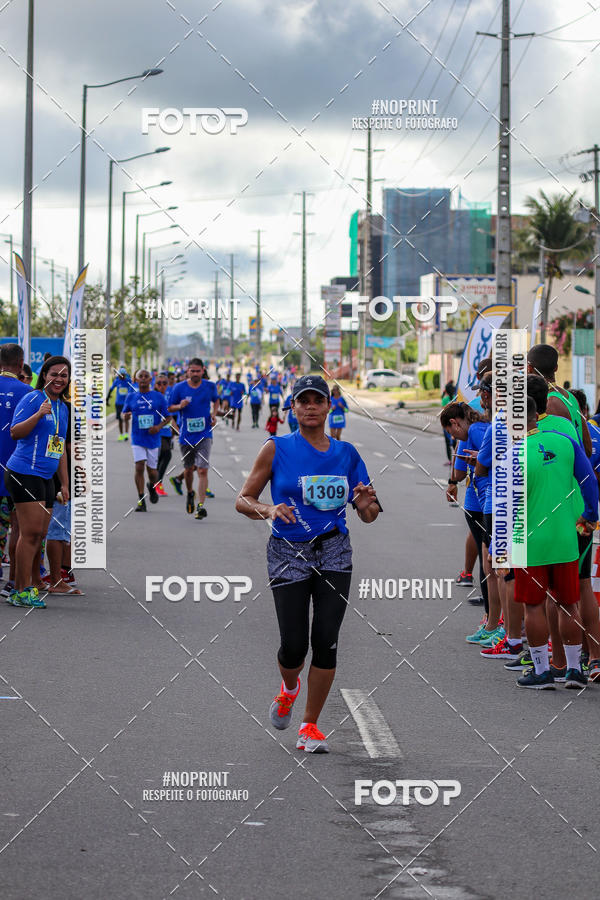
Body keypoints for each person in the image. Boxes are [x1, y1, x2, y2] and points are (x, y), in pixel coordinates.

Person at [235, 374, 381, 753]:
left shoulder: (346, 454)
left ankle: (309, 725)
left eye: (318, 400)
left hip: (334, 551)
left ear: (329, 406)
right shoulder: (276, 448)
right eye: (304, 401)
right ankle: (289, 688)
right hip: (288, 553)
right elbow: (243, 499)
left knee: (326, 642)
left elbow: (368, 514)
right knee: (294, 646)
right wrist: (269, 509)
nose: (311, 407)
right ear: (293, 408)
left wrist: (366, 503)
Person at [511, 397, 598, 689]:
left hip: (529, 539)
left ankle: (542, 671)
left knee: (534, 606)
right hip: (565, 535)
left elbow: (506, 506)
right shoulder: (565, 441)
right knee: (568, 604)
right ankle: (573, 670)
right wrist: (590, 515)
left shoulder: (514, 453)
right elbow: (588, 480)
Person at [5, 356, 71, 608]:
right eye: (54, 374)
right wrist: (38, 415)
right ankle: (20, 590)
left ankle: (28, 585)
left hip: (47, 478)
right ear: (44, 375)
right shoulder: (33, 399)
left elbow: (60, 447)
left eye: (64, 375)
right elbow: (15, 432)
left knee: (39, 534)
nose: (59, 379)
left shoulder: (63, 407)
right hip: (24, 473)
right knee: (30, 533)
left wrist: (64, 484)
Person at [0, 344, 33, 597]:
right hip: (16, 472)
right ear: (21, 365)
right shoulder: (29, 394)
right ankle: (13, 581)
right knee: (19, 529)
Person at [168, 358, 218, 520]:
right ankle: (190, 492)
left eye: (198, 371)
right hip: (186, 435)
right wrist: (179, 406)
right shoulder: (179, 388)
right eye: (192, 371)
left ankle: (201, 506)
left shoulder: (210, 386)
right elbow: (169, 407)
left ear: (203, 370)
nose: (195, 373)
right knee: (189, 470)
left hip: (204, 434)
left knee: (202, 469)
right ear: (187, 371)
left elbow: (216, 400)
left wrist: (214, 414)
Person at [122, 369, 171, 512]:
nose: (143, 378)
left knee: (152, 472)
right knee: (139, 467)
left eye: (146, 376)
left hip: (153, 439)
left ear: (150, 380)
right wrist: (126, 416)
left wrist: (158, 427)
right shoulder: (131, 397)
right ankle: (141, 499)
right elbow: (124, 413)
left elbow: (168, 417)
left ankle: (152, 486)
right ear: (136, 380)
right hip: (137, 437)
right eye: (140, 376)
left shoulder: (158, 397)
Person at [153, 373, 173, 496]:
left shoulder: (168, 396)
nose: (162, 386)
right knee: (167, 454)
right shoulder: (153, 397)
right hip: (156, 431)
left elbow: (171, 415)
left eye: (164, 383)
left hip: (166, 431)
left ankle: (154, 482)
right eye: (159, 383)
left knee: (161, 457)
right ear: (155, 385)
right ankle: (157, 483)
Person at [107, 366, 134, 442]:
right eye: (120, 375)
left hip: (126, 403)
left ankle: (126, 434)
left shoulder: (128, 381)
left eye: (123, 375)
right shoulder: (117, 381)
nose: (121, 376)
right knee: (120, 419)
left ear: (125, 375)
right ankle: (121, 434)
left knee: (126, 418)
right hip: (118, 403)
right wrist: (107, 399)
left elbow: (132, 391)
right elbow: (111, 389)